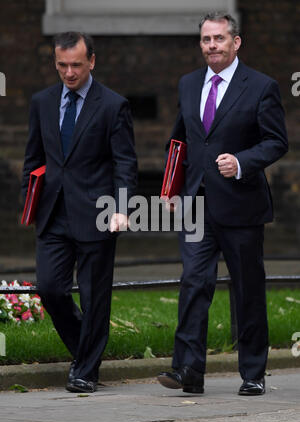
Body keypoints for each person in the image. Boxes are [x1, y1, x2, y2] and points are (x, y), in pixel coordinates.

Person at [157, 12, 288, 395]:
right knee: (193, 283)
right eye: (205, 39)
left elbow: (276, 141)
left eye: (218, 38)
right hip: (196, 204)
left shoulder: (261, 86)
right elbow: (179, 141)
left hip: (241, 206)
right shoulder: (188, 84)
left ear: (236, 42)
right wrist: (170, 189)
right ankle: (188, 371)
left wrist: (242, 162)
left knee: (247, 289)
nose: (211, 45)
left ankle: (252, 373)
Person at [22, 32, 137, 393]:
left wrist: (122, 207)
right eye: (62, 65)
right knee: (50, 288)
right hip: (53, 213)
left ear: (91, 61)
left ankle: (85, 371)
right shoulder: (42, 102)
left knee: (94, 296)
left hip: (99, 213)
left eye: (76, 64)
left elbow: (125, 162)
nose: (69, 72)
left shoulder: (113, 105)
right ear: (55, 62)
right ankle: (84, 352)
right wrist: (29, 201)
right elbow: (33, 159)